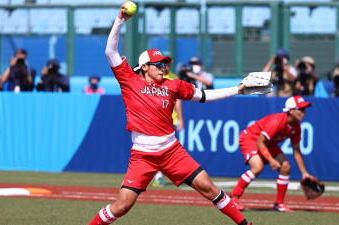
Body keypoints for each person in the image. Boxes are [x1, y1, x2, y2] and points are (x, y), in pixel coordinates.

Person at [88, 4, 255, 225]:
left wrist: (238, 89)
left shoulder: (173, 85)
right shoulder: (129, 80)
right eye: (158, 64)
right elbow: (110, 51)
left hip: (171, 150)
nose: (163, 67)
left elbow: (204, 95)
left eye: (165, 63)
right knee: (123, 205)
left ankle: (244, 224)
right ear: (145, 66)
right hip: (143, 155)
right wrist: (119, 20)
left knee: (208, 187)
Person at [230, 96, 318, 212]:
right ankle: (234, 198)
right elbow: (260, 141)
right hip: (250, 138)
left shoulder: (296, 127)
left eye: (304, 109)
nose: (303, 112)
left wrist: (304, 173)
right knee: (258, 167)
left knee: (285, 167)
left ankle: (279, 204)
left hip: (268, 143)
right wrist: (270, 160)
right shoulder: (276, 122)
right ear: (291, 110)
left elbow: (296, 151)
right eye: (300, 109)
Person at [152, 52, 185, 188]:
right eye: (163, 62)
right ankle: (157, 175)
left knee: (166, 150)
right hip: (156, 119)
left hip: (171, 119)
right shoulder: (152, 77)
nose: (167, 65)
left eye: (168, 62)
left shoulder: (173, 78)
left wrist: (181, 119)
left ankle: (159, 175)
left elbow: (177, 101)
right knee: (158, 150)